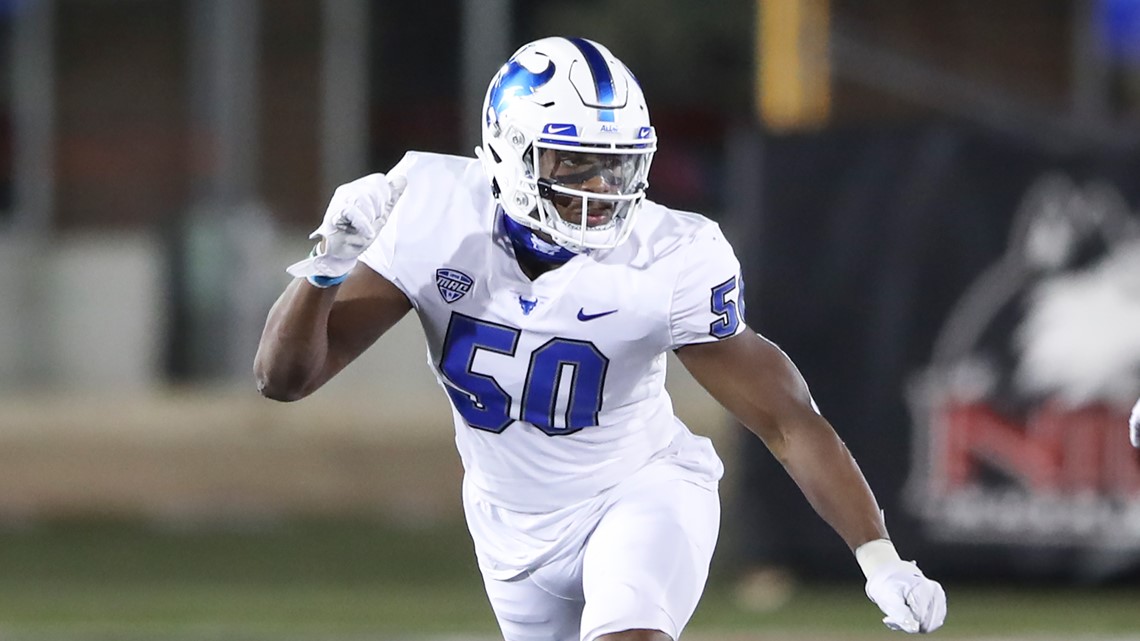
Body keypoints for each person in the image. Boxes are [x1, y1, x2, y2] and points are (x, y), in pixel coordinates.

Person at [254, 37, 946, 641]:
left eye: (614, 165)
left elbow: (786, 418)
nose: (600, 187)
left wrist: (878, 556)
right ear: (506, 152)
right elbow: (285, 378)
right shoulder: (432, 210)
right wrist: (328, 264)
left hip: (641, 490)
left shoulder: (670, 252)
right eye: (571, 164)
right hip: (510, 527)